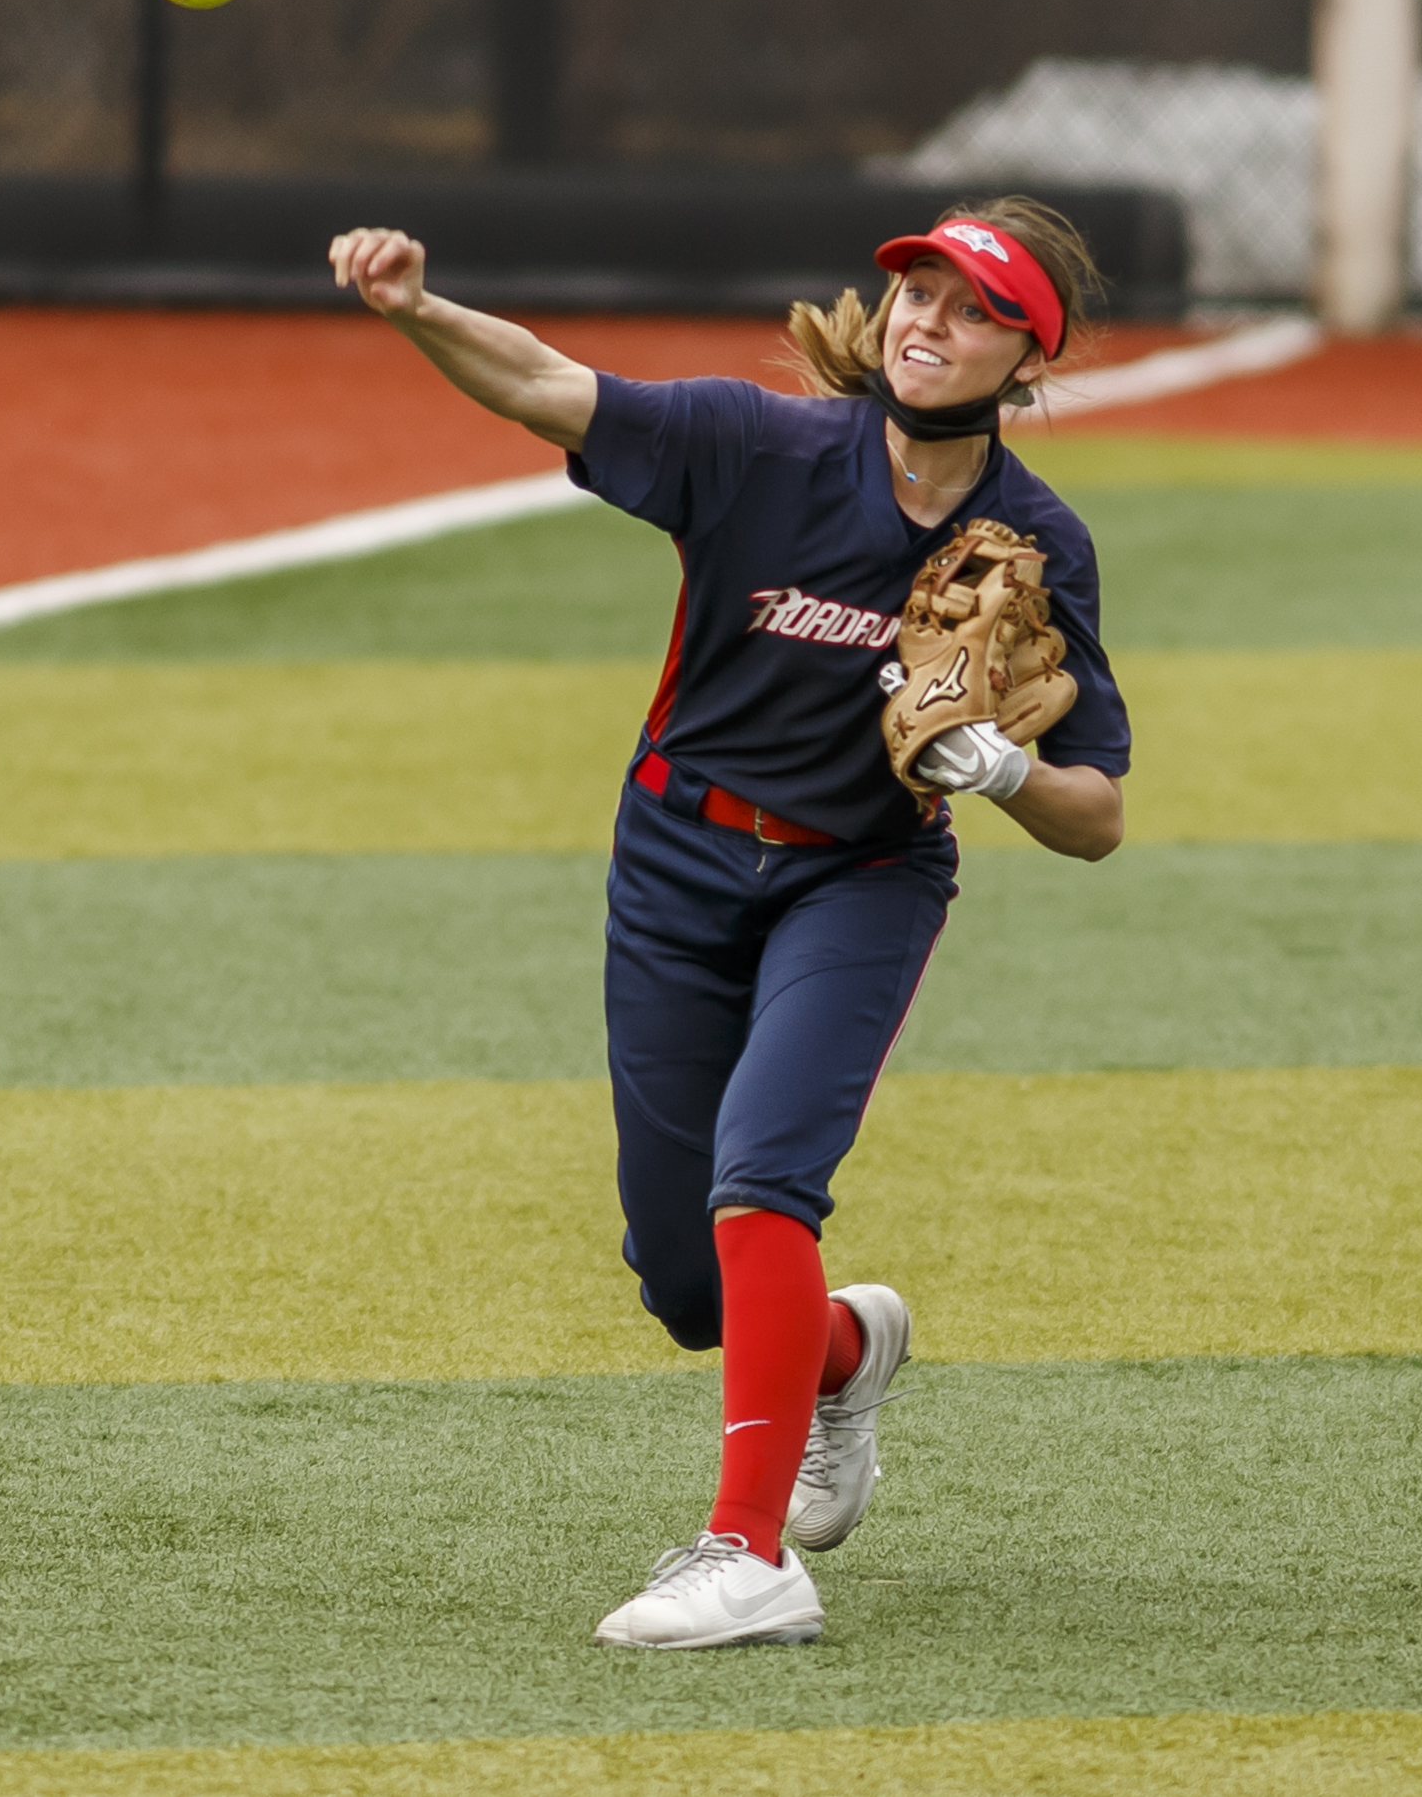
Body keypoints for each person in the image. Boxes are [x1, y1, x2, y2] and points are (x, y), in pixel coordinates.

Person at [326, 197, 1131, 1649]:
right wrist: (420, 310)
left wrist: (1003, 771)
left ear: (1027, 355)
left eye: (970, 308)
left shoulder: (1038, 543)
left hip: (862, 881)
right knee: (690, 1283)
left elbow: (1099, 816)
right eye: (916, 293)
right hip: (677, 867)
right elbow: (546, 386)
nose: (924, 322)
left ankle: (745, 1556)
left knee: (764, 1182)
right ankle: (842, 1351)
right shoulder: (755, 447)